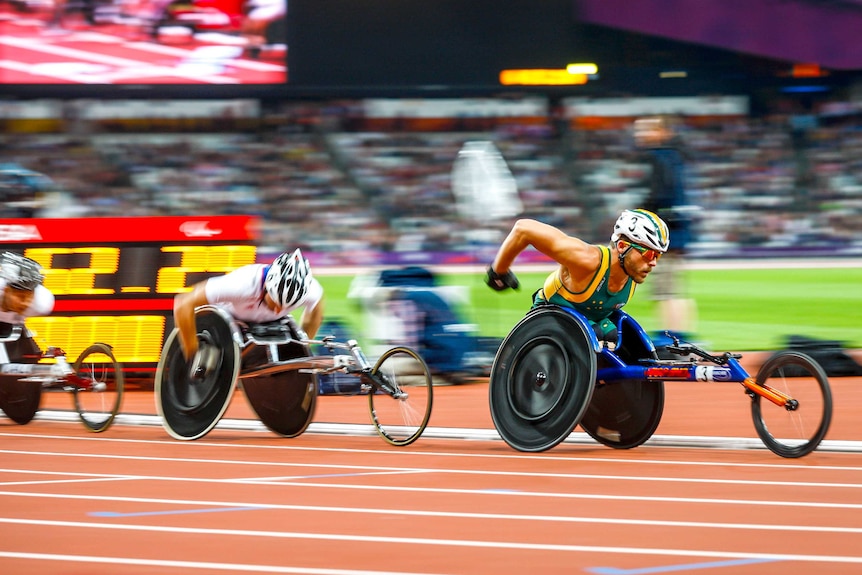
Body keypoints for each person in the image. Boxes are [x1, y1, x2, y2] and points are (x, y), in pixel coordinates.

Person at [485, 209, 669, 341]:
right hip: (552, 314)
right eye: (649, 254)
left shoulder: (633, 270)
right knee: (592, 333)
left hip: (593, 320)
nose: (653, 262)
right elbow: (523, 228)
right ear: (622, 246)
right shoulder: (586, 260)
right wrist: (499, 270)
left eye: (658, 255)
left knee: (617, 337)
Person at [172, 248, 324, 363]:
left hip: (262, 324)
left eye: (287, 307)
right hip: (225, 324)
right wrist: (194, 351)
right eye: (275, 302)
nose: (278, 310)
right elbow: (183, 304)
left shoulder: (311, 291)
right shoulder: (241, 284)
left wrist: (303, 346)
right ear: (266, 286)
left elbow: (315, 310)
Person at [634, 115, 697, 334]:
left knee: (665, 291)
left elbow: (659, 194)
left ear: (662, 133)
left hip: (663, 233)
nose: (639, 135)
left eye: (646, 130)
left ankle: (671, 338)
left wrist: (637, 214)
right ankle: (681, 335)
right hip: (677, 231)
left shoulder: (658, 158)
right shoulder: (674, 156)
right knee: (675, 290)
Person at [0, 252, 55, 363]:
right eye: (20, 297)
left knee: (28, 364)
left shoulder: (42, 303)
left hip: (14, 328)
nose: (25, 303)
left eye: (30, 296)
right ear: (6, 290)